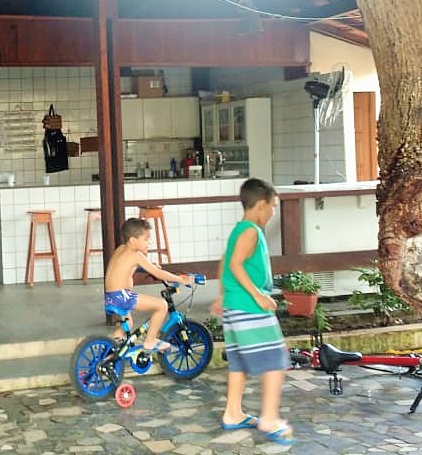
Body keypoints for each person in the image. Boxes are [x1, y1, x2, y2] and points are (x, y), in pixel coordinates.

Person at [209, 178, 295, 446]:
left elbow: (226, 261)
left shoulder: (240, 230)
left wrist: (223, 294)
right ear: (260, 205)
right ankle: (269, 419)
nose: (273, 212)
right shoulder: (251, 232)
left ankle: (233, 413)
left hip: (236, 305)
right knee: (275, 359)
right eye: (272, 207)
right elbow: (235, 264)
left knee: (239, 362)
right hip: (249, 305)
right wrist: (258, 295)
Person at [104, 217, 190, 352]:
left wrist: (147, 266)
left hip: (111, 296)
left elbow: (125, 266)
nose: (149, 242)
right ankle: (150, 341)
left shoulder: (121, 249)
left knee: (128, 324)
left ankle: (111, 354)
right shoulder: (136, 255)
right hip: (123, 297)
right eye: (146, 239)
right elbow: (158, 273)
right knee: (162, 305)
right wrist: (181, 279)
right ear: (133, 240)